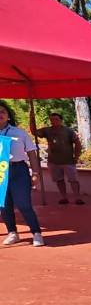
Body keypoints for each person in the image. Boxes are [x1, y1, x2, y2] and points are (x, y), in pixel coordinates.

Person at [1, 100, 45, 247]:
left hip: (18, 170)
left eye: (3, 112)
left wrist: (36, 173)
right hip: (1, 171)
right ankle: (12, 233)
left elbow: (32, 153)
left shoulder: (19, 133)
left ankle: (36, 233)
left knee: (23, 204)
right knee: (4, 205)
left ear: (8, 116)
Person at [30, 112, 84, 205]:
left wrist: (76, 156)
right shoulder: (47, 130)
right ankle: (64, 197)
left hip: (68, 160)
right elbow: (34, 132)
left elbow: (78, 144)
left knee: (73, 180)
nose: (53, 121)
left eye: (56, 119)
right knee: (59, 180)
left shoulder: (69, 131)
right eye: (52, 120)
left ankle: (77, 197)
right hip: (53, 161)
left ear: (61, 120)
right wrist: (31, 119)